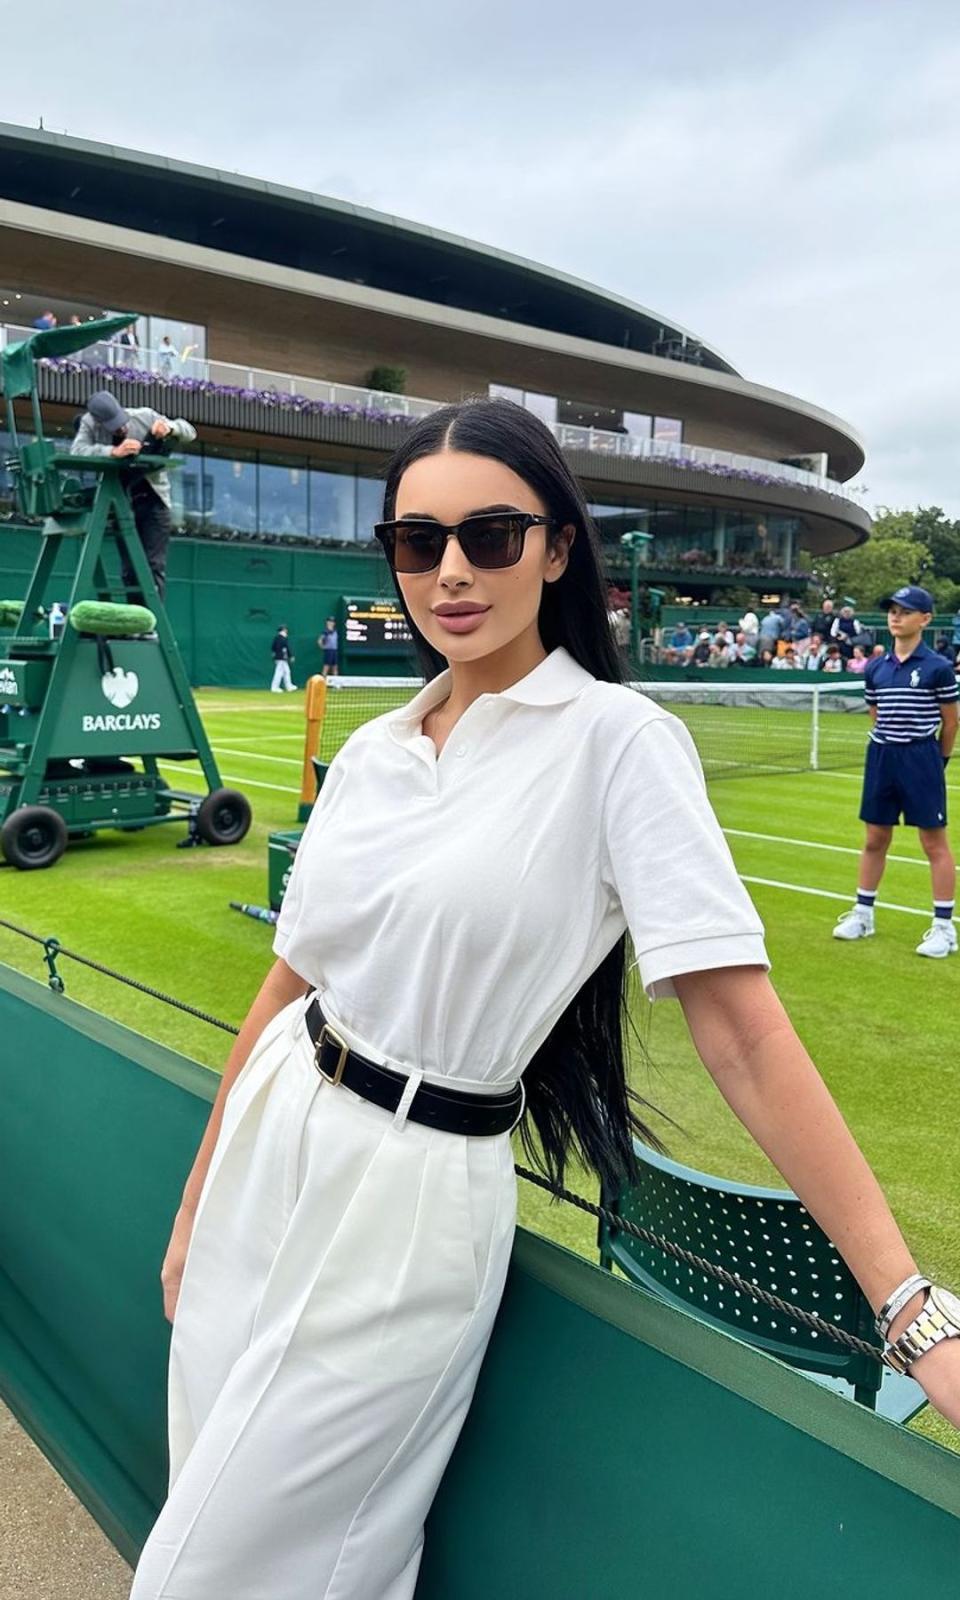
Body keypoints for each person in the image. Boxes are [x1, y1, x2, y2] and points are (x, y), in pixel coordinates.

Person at [129, 401, 960, 1600]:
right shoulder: (375, 751)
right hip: (271, 1138)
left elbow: (740, 1029)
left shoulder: (622, 744)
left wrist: (908, 1305)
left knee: (212, 1576)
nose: (452, 571)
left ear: (559, 547)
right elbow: (289, 978)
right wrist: (201, 1189)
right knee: (222, 1497)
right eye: (419, 543)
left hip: (413, 1194)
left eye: (492, 536)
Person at [833, 586, 958, 959]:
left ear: (925, 619)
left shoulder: (937, 667)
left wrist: (939, 760)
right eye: (892, 610)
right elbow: (877, 714)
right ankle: (863, 914)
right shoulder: (876, 668)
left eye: (906, 611)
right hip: (882, 757)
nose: (896, 616)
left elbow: (950, 723)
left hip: (921, 759)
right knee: (874, 838)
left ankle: (944, 928)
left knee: (933, 843)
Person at [70, 389, 196, 602]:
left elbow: (189, 431)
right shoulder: (88, 423)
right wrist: (112, 452)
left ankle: (150, 625)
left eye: (121, 421)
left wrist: (169, 427)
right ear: (99, 422)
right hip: (120, 500)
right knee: (129, 567)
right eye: (113, 425)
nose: (121, 427)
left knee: (153, 564)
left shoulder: (144, 416)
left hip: (154, 499)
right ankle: (133, 625)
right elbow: (77, 451)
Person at [270, 625, 297, 691]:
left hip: (280, 658)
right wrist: (290, 656)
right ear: (283, 630)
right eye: (285, 629)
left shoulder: (277, 638)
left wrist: (275, 653)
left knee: (286, 672)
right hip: (281, 658)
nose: (286, 630)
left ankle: (288, 686)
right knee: (279, 673)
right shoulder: (283, 638)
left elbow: (273, 647)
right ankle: (274, 687)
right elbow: (286, 648)